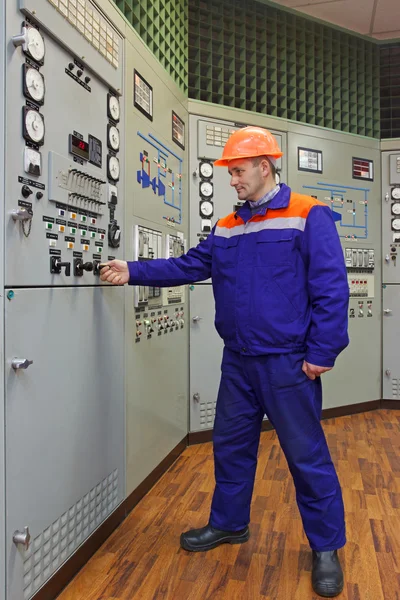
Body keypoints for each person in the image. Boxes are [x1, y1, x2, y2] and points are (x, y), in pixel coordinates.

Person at [100, 126, 349, 597]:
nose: (231, 181)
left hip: (287, 363)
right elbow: (189, 265)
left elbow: (332, 287)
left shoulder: (307, 213)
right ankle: (230, 523)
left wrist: (322, 352)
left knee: (306, 456)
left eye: (237, 172)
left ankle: (325, 546)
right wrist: (133, 270)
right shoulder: (228, 226)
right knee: (230, 447)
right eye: (230, 173)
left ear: (264, 166)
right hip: (238, 362)